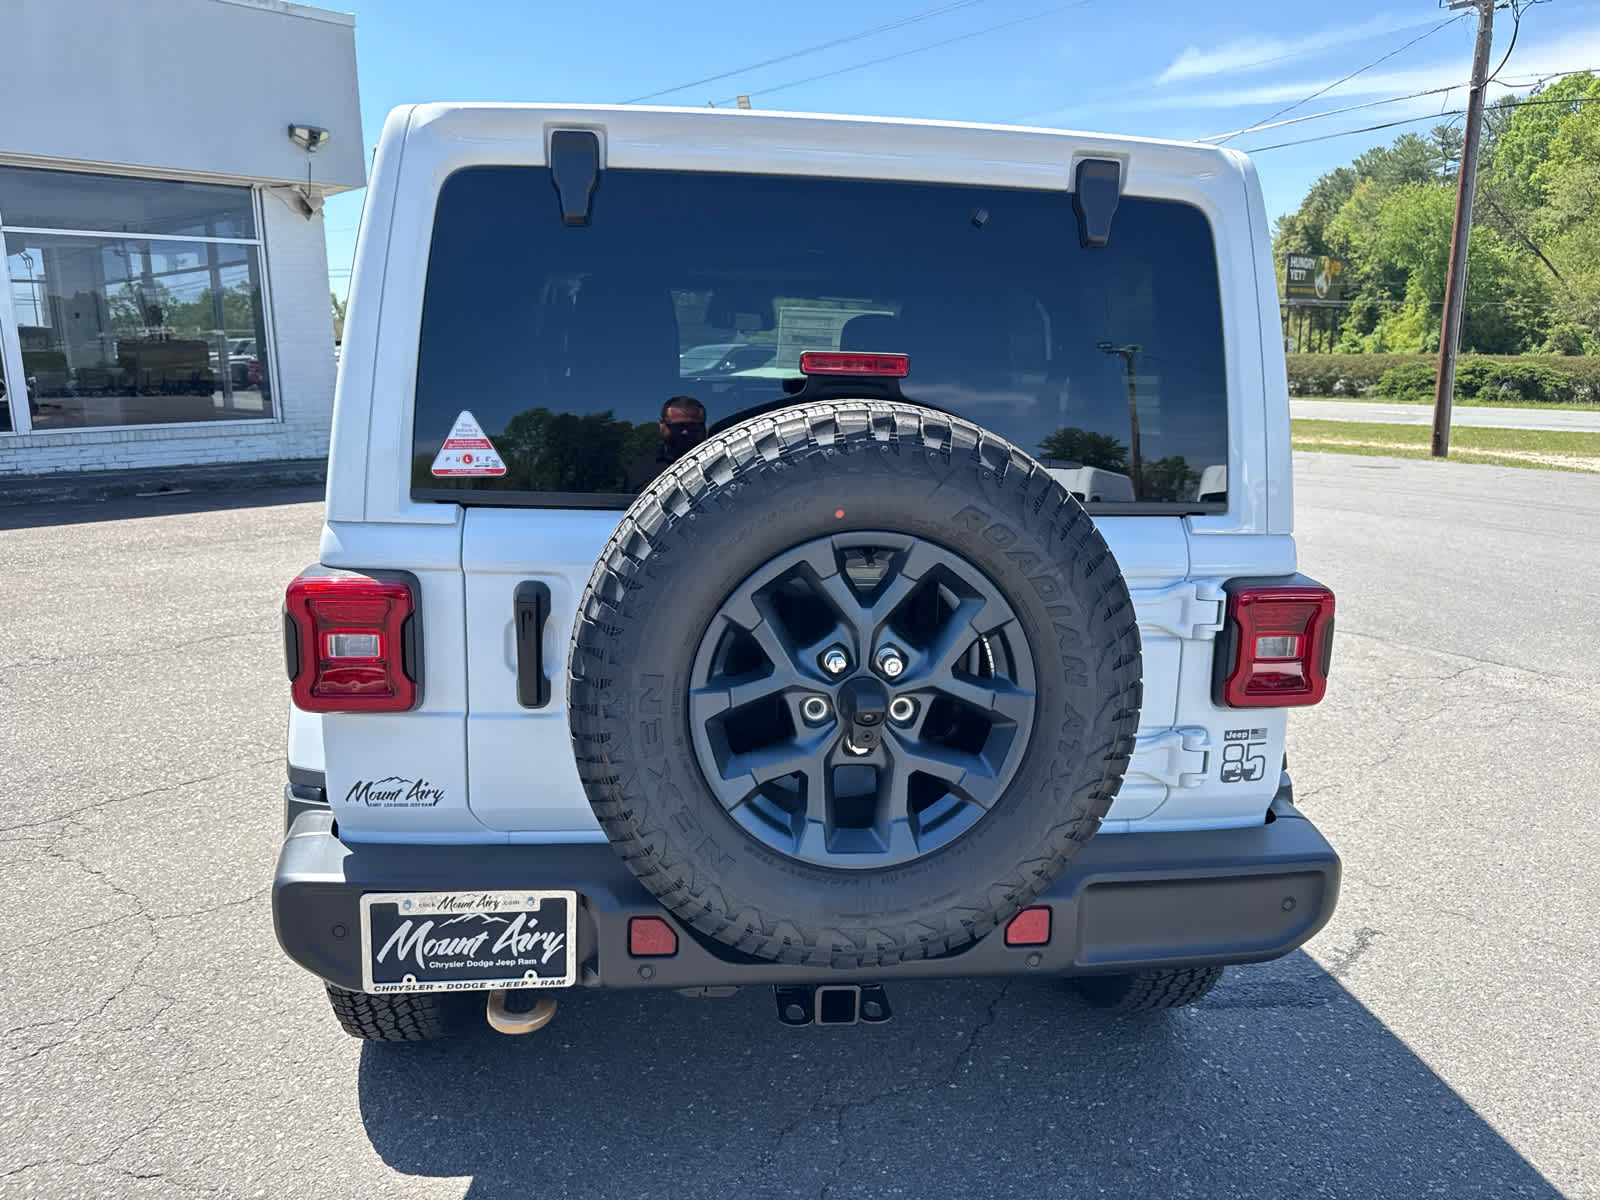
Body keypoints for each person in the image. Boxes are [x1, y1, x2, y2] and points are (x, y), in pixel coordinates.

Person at [626, 395, 708, 492]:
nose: (685, 432)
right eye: (678, 426)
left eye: (693, 427)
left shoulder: (718, 459)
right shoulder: (641, 467)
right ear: (661, 424)